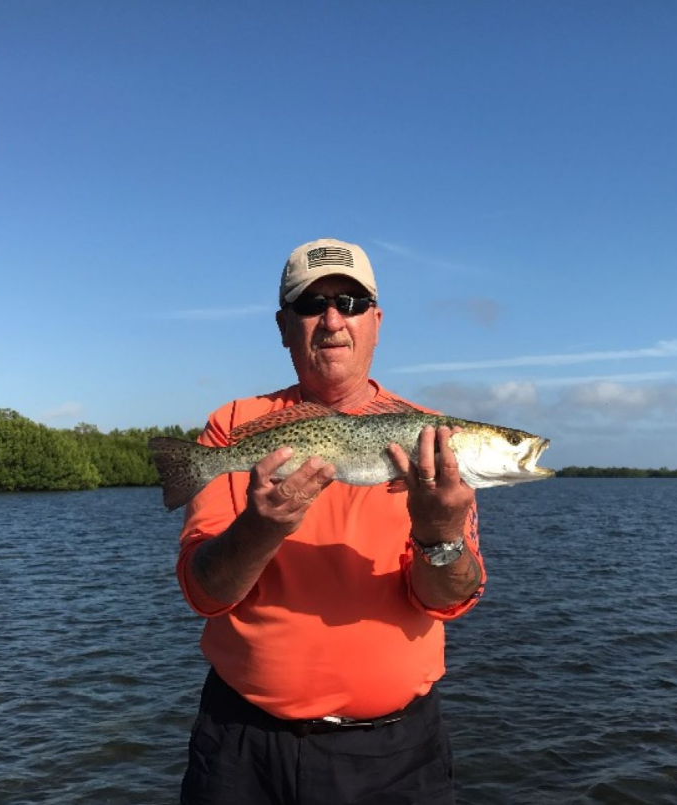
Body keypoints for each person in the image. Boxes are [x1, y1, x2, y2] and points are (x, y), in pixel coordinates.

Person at [177, 238, 486, 805]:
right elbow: (204, 592)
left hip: (396, 757)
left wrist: (440, 533)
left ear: (376, 321)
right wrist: (259, 529)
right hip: (241, 746)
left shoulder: (431, 440)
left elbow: (447, 600)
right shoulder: (232, 424)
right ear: (283, 326)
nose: (332, 320)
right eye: (310, 304)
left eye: (351, 302)